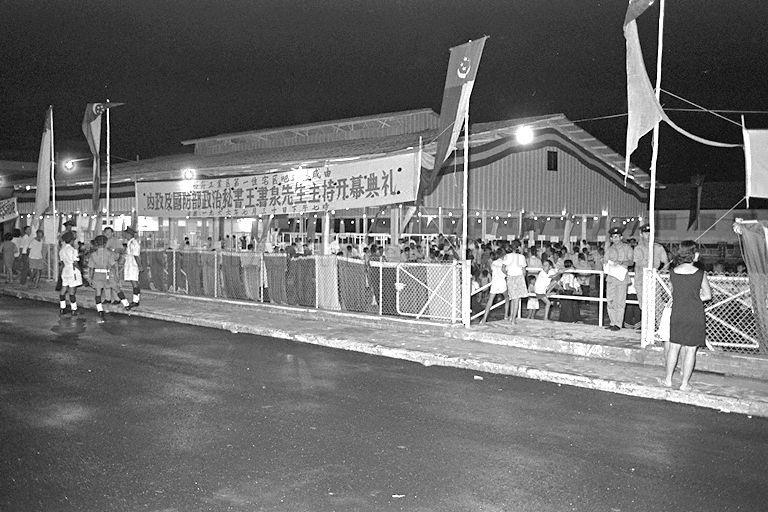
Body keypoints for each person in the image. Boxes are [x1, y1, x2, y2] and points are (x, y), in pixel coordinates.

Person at [663, 240, 712, 391]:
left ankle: (668, 380)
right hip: (694, 313)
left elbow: (674, 293)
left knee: (674, 347)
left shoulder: (673, 272)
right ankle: (684, 384)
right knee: (691, 350)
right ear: (693, 254)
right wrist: (695, 299)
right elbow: (708, 295)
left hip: (677, 312)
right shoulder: (700, 274)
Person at [633, 224, 669, 326]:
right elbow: (638, 263)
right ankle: (648, 327)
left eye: (650, 233)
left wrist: (661, 273)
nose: (648, 235)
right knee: (643, 305)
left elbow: (666, 262)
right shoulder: (638, 249)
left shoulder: (658, 248)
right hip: (641, 279)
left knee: (657, 304)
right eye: (645, 233)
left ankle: (660, 327)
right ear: (641, 234)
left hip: (654, 278)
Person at [88, 235, 131, 322]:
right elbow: (113, 265)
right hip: (108, 274)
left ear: (96, 244)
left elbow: (91, 268)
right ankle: (126, 305)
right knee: (117, 289)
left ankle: (100, 310)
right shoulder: (109, 253)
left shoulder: (93, 254)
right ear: (105, 243)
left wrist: (90, 278)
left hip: (97, 275)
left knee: (98, 293)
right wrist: (116, 276)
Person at [603, 227, 634, 331]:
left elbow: (631, 262)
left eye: (617, 237)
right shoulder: (609, 249)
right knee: (610, 301)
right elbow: (605, 262)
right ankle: (612, 322)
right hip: (611, 278)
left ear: (621, 237)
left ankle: (618, 324)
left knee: (620, 302)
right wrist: (605, 264)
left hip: (621, 278)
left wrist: (621, 263)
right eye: (613, 237)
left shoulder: (627, 248)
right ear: (611, 239)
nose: (615, 239)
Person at [480, 249, 508, 323]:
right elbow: (505, 271)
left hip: (494, 282)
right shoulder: (504, 263)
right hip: (502, 281)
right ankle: (505, 316)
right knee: (507, 298)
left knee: (490, 301)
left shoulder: (493, 263)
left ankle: (484, 319)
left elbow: (491, 270)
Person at [502, 242, 527, 323]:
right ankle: (513, 319)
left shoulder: (507, 256)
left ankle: (511, 316)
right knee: (517, 299)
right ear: (518, 247)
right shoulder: (522, 257)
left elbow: (503, 268)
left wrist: (508, 274)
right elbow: (524, 271)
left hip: (510, 277)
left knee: (513, 298)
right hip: (519, 277)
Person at [58, 231, 82, 316]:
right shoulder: (73, 250)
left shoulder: (61, 250)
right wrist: (80, 271)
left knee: (63, 289)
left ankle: (62, 307)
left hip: (65, 270)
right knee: (72, 291)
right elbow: (75, 263)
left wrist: (61, 272)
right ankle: (74, 309)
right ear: (72, 240)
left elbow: (61, 263)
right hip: (72, 271)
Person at [123, 226, 141, 309]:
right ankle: (136, 300)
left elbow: (136, 255)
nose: (125, 235)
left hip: (133, 265)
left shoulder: (134, 243)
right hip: (130, 264)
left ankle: (136, 301)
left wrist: (139, 266)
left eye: (126, 233)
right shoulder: (130, 242)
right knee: (133, 282)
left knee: (134, 283)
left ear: (130, 234)